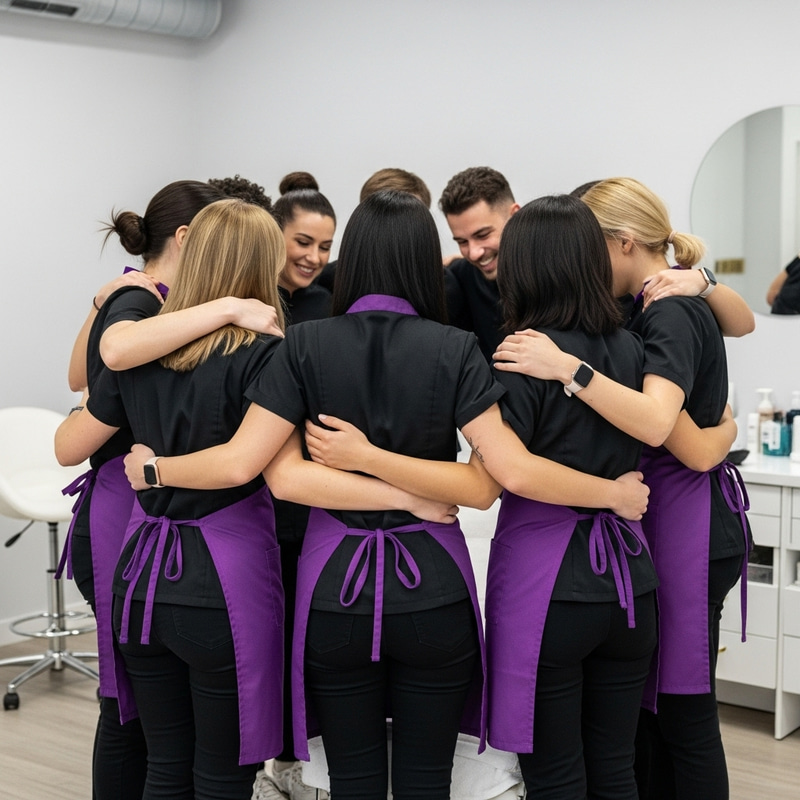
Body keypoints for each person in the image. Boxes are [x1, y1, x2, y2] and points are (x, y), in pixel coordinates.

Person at [121, 190, 651, 800]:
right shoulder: (456, 348)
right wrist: (413, 496)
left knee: (353, 783)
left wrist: (365, 462)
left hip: (334, 590)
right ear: (427, 262)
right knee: (428, 781)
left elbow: (286, 478)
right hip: (434, 588)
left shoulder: (304, 344)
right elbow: (483, 486)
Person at [494, 177, 753, 800]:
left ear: (623, 241)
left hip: (680, 517)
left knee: (683, 710)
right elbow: (739, 328)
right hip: (653, 520)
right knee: (642, 722)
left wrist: (568, 369)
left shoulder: (664, 310)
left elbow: (673, 433)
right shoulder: (651, 309)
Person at [56, 198, 293, 799]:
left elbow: (72, 436)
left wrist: (151, 466)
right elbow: (251, 465)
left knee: (164, 764)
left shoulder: (141, 352)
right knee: (221, 773)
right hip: (222, 582)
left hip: (140, 582)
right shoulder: (269, 354)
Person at [315, 166, 433, 292]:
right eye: (384, 216)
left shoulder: (441, 283)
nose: (397, 229)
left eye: (408, 218)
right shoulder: (327, 279)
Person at [271, 172, 335, 325]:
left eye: (325, 247)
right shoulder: (244, 299)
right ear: (275, 235)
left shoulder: (328, 306)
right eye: (303, 242)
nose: (314, 258)